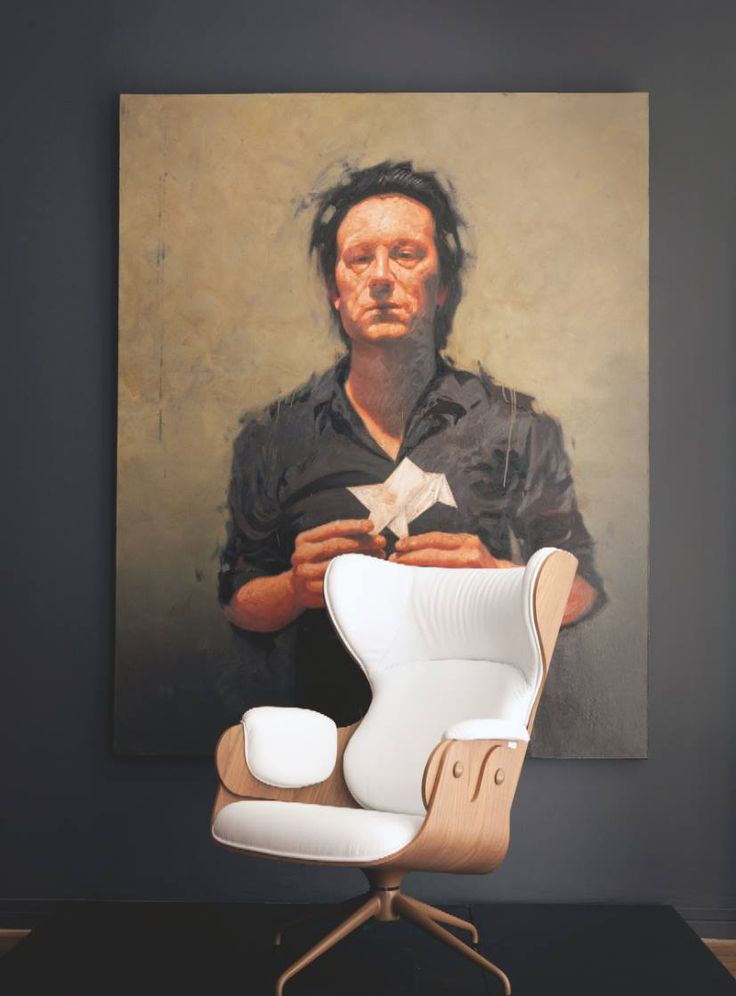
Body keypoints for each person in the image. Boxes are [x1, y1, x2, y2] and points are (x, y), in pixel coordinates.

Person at [218, 161, 605, 724]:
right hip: (327, 735)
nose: (381, 277)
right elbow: (238, 599)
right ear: (333, 289)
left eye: (405, 254)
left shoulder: (517, 427)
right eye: (360, 258)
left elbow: (582, 589)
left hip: (470, 734)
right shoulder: (273, 435)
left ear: (442, 285)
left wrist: (499, 578)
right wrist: (294, 588)